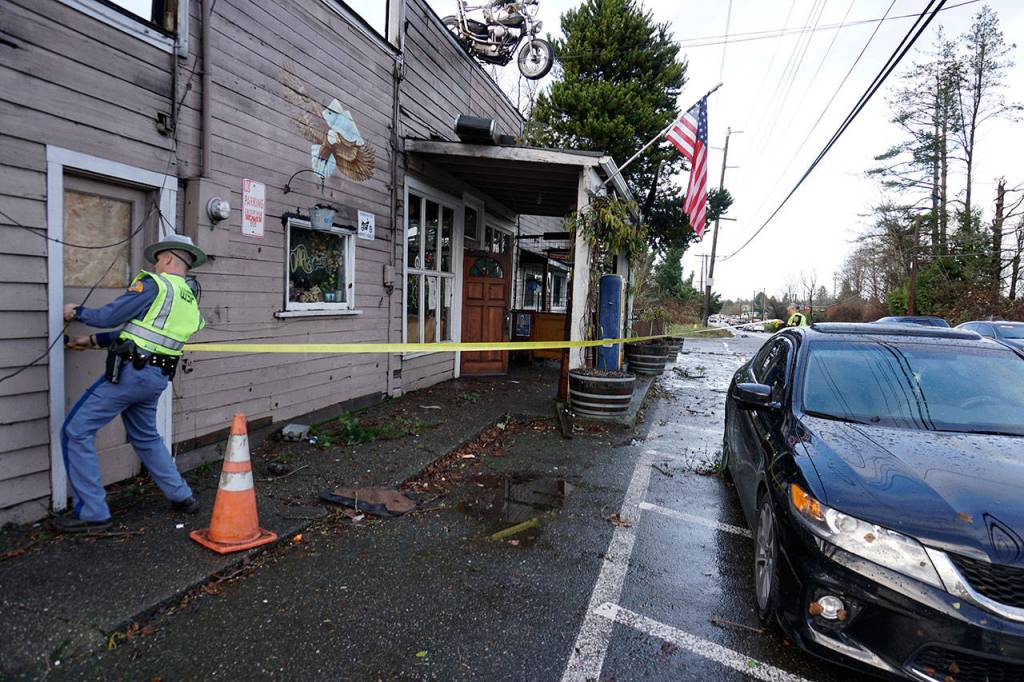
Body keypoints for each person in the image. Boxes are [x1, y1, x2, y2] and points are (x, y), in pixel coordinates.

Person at [53, 234, 208, 533]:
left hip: (130, 374)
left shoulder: (155, 284)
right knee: (147, 436)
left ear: (168, 259)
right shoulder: (188, 297)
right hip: (156, 378)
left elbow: (112, 316)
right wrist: (91, 341)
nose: (155, 264)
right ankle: (182, 496)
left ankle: (93, 512)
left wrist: (77, 312)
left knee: (76, 430)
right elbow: (143, 332)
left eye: (158, 259)